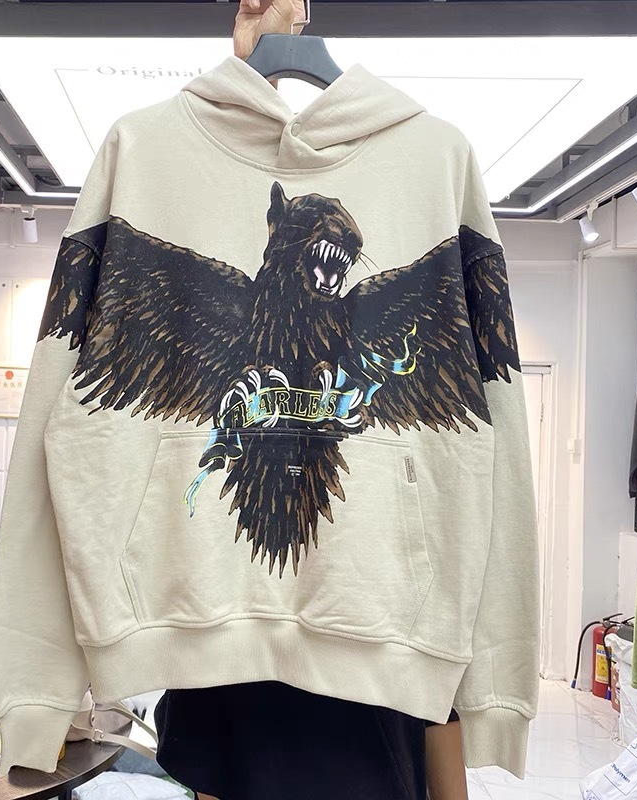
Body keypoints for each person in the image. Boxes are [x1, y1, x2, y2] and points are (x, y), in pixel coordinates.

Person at [154, 3, 471, 799]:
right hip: (239, 611)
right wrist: (245, 82)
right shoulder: (230, 305)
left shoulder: (427, 193)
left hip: (366, 636)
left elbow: (441, 709)